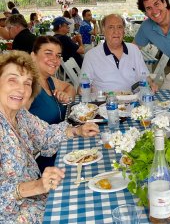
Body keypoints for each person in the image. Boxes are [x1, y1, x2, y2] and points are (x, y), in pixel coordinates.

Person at [0, 50, 99, 222]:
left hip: (38, 199)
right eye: (12, 80)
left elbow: (46, 135)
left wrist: (77, 130)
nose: (21, 89)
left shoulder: (20, 115)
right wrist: (35, 186)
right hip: (15, 215)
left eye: (27, 83)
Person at [29, 36, 76, 173]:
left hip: (63, 146)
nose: (55, 60)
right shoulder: (27, 87)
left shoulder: (48, 79)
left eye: (58, 55)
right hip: (47, 160)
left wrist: (66, 96)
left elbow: (70, 87)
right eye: (48, 53)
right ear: (33, 56)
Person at [81, 14, 154, 92]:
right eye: (111, 27)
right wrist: (85, 90)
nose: (116, 32)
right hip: (105, 102)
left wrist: (151, 84)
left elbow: (145, 76)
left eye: (119, 27)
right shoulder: (91, 55)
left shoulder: (134, 50)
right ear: (103, 31)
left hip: (133, 99)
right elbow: (83, 86)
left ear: (124, 31)